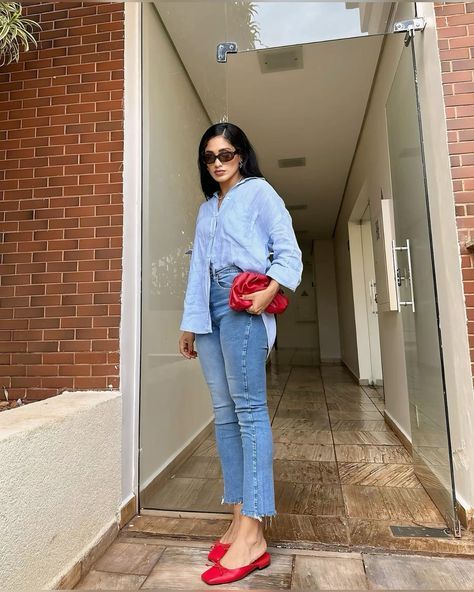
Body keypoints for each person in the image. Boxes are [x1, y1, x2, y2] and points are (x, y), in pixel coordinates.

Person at [179, 122, 303, 585]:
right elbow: (196, 270)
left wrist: (271, 291)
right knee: (224, 414)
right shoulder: (206, 208)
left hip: (241, 302)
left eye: (225, 153)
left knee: (249, 412)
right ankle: (237, 519)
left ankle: (253, 533)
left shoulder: (260, 193)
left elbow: (288, 252)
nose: (217, 162)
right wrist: (190, 323)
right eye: (209, 156)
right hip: (208, 310)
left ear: (242, 155)